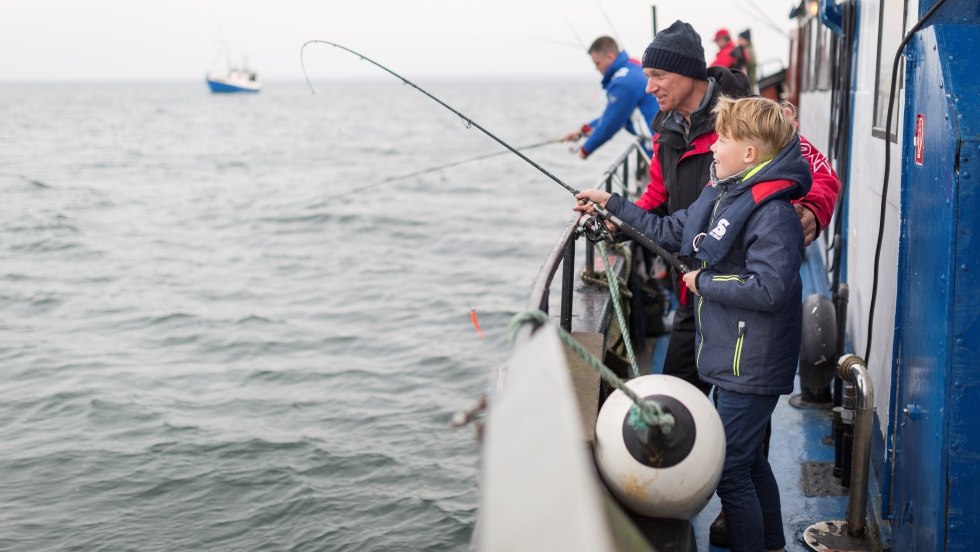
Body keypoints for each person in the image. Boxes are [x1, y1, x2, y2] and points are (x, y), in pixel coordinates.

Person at [633, 19, 841, 547]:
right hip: (699, 293)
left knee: (739, 442)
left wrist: (812, 212)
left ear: (687, 73)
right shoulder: (666, 129)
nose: (649, 87)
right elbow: (658, 199)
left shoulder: (745, 117)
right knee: (684, 395)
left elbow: (817, 170)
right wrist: (619, 215)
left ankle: (734, 512)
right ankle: (677, 496)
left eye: (657, 75)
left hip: (737, 307)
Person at [575, 94, 808, 552]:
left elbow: (769, 288)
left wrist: (705, 281)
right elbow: (668, 230)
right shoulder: (725, 194)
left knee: (731, 468)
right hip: (735, 357)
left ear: (749, 153)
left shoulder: (774, 214)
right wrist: (612, 205)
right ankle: (772, 542)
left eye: (722, 139)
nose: (713, 146)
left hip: (752, 364)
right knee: (750, 460)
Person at [561, 36, 660, 159]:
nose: (596, 68)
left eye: (597, 63)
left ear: (610, 57)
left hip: (661, 147)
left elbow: (611, 123)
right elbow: (614, 114)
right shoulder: (632, 68)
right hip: (661, 141)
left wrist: (585, 150)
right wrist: (583, 131)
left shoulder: (623, 82)